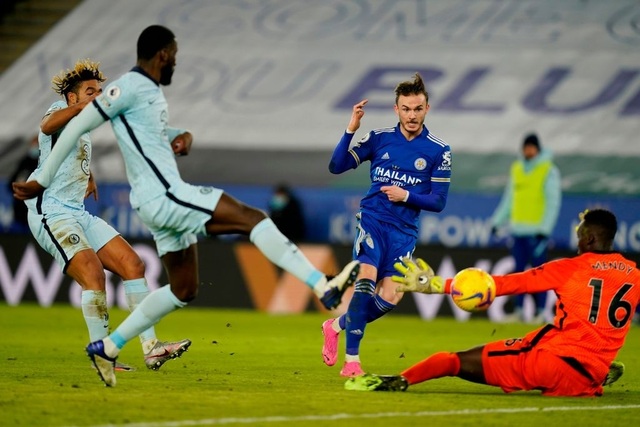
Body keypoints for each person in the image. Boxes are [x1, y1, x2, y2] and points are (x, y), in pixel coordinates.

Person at [13, 25, 359, 387]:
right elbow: (59, 126)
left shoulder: (147, 93)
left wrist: (179, 134)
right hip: (142, 198)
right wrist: (41, 177)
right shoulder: (120, 90)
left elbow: (142, 132)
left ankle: (111, 347)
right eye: (174, 54)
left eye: (98, 92)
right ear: (163, 54)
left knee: (177, 286)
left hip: (113, 207)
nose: (176, 60)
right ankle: (323, 286)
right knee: (249, 218)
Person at [346, 209, 636, 397]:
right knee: (573, 353)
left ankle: (397, 381)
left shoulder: (570, 268)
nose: (577, 241)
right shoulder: (634, 275)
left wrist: (435, 285)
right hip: (591, 368)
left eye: (580, 235)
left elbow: (510, 284)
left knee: (452, 360)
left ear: (591, 237)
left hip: (551, 362)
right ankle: (595, 375)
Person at [21, 59, 190, 372]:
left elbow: (71, 152)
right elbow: (47, 127)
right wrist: (83, 106)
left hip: (77, 212)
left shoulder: (84, 125)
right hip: (51, 212)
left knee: (133, 264)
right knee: (94, 276)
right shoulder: (60, 107)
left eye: (100, 91)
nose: (98, 96)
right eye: (90, 91)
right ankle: (102, 357)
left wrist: (88, 175)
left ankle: (152, 348)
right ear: (72, 97)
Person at [321, 73, 452, 377]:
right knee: (365, 282)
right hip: (373, 221)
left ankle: (336, 325)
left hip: (404, 233)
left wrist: (405, 194)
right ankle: (352, 361)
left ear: (427, 109)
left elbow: (438, 201)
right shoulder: (379, 138)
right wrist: (350, 130)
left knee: (391, 295)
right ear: (396, 110)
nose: (411, 115)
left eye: (417, 109)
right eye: (406, 109)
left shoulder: (438, 150)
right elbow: (336, 166)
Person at [490, 133, 561, 323]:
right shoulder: (517, 168)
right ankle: (520, 310)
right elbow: (509, 199)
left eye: (532, 147)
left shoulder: (548, 170)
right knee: (518, 274)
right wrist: (497, 222)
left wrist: (545, 229)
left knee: (539, 274)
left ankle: (539, 312)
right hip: (518, 231)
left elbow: (553, 202)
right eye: (526, 147)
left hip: (537, 232)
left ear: (538, 149)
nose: (528, 150)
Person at [7, 135, 39, 233]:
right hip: (20, 210)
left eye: (37, 145)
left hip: (36, 212)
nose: (35, 147)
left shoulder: (45, 164)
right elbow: (11, 183)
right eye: (34, 144)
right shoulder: (24, 162)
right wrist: (19, 189)